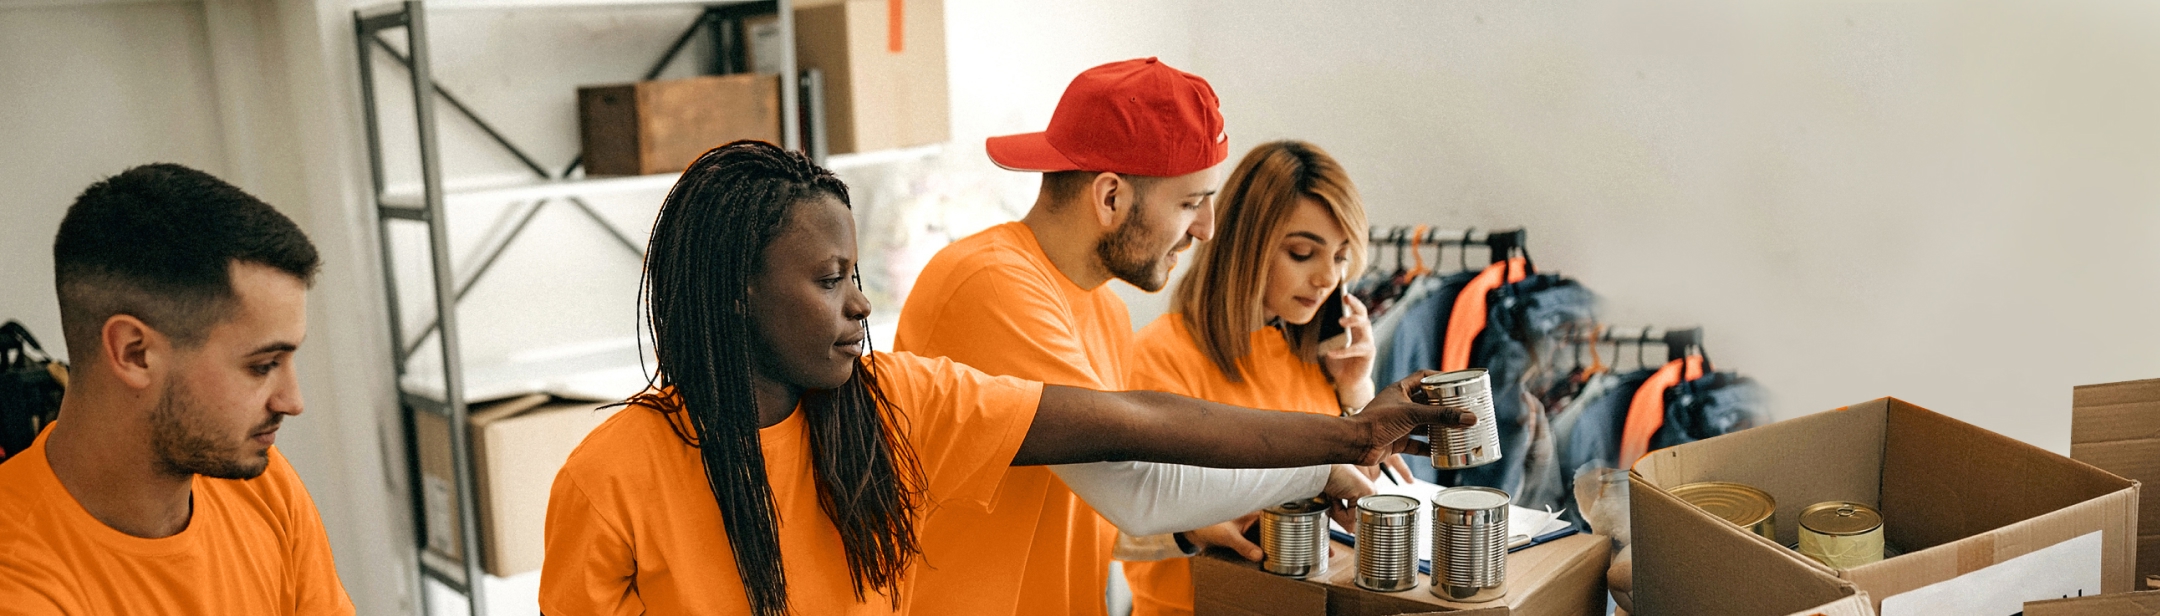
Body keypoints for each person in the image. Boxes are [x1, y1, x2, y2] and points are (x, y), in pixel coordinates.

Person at [537, 140, 1470, 615]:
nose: (860, 305)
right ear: (736, 293)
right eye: (829, 281)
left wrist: (1354, 432)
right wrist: (1339, 445)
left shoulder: (895, 403)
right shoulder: (612, 476)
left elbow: (1137, 423)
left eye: (856, 276)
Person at [896, 58, 1365, 615]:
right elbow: (1134, 491)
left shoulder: (1108, 314)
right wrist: (1320, 466)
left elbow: (1093, 516)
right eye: (1190, 203)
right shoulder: (991, 283)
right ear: (1110, 197)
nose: (1206, 229)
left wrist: (1188, 530)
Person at [0, 164, 354, 614]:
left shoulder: (263, 485)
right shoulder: (18, 586)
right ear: (134, 353)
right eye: (262, 365)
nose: (292, 401)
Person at [1121, 140, 1393, 616]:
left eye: (1341, 257)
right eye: (1303, 253)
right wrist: (1191, 528)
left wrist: (1355, 391)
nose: (1326, 278)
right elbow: (1109, 524)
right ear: (1246, 246)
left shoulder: (1314, 357)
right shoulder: (1159, 356)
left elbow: (1359, 489)